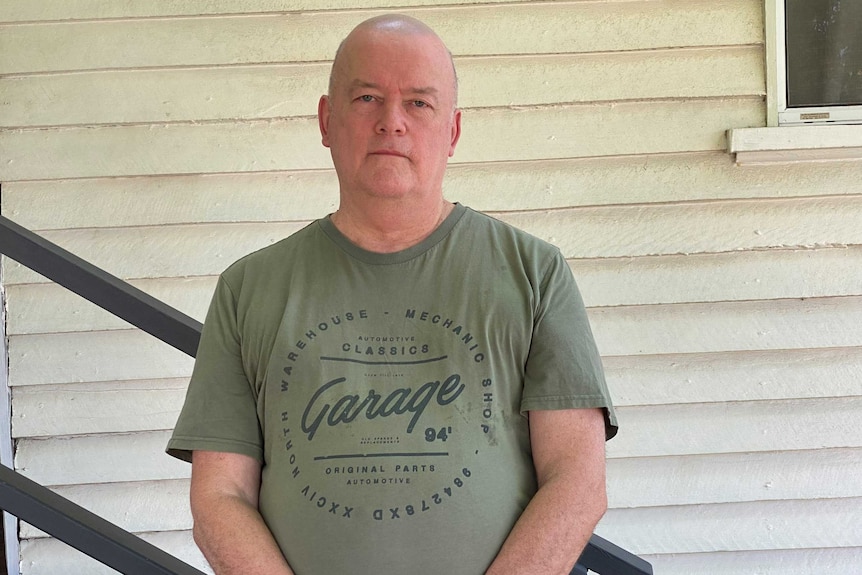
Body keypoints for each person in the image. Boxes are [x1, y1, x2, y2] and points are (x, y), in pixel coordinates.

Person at [167, 14, 617, 575]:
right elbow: (219, 497)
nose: (391, 123)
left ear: (452, 130)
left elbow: (577, 480)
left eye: (419, 104)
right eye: (366, 98)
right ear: (327, 120)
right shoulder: (248, 289)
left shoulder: (533, 272)